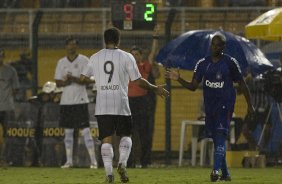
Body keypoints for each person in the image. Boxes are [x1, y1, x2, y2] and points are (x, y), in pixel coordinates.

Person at [80, 27, 169, 183]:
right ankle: (122, 162)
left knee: (106, 139)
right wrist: (155, 88)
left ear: (104, 40)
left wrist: (97, 80)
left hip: (103, 104)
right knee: (126, 136)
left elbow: (82, 78)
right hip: (121, 102)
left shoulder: (95, 57)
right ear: (118, 40)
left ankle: (109, 173)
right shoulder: (127, 57)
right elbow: (137, 80)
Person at [165, 32, 255, 182]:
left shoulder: (230, 62)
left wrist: (250, 105)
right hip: (210, 107)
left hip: (225, 105)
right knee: (216, 139)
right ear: (210, 45)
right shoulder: (202, 64)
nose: (215, 47)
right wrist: (178, 78)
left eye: (219, 45)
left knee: (220, 137)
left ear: (223, 47)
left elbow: (243, 85)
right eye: (213, 44)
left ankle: (215, 170)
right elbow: (193, 86)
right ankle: (225, 174)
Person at [54, 37, 98, 169]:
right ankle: (69, 161)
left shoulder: (84, 60)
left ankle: (93, 161)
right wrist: (67, 82)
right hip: (66, 102)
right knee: (67, 132)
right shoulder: (61, 62)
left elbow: (90, 80)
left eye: (74, 44)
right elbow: (57, 82)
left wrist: (74, 78)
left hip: (80, 100)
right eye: (69, 45)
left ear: (77, 46)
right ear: (66, 47)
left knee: (85, 131)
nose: (71, 47)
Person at [0, 48, 20, 165]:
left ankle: (4, 159)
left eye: (1, 56)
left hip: (7, 108)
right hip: (6, 106)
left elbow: (15, 88)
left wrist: (7, 98)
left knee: (8, 135)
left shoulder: (11, 70)